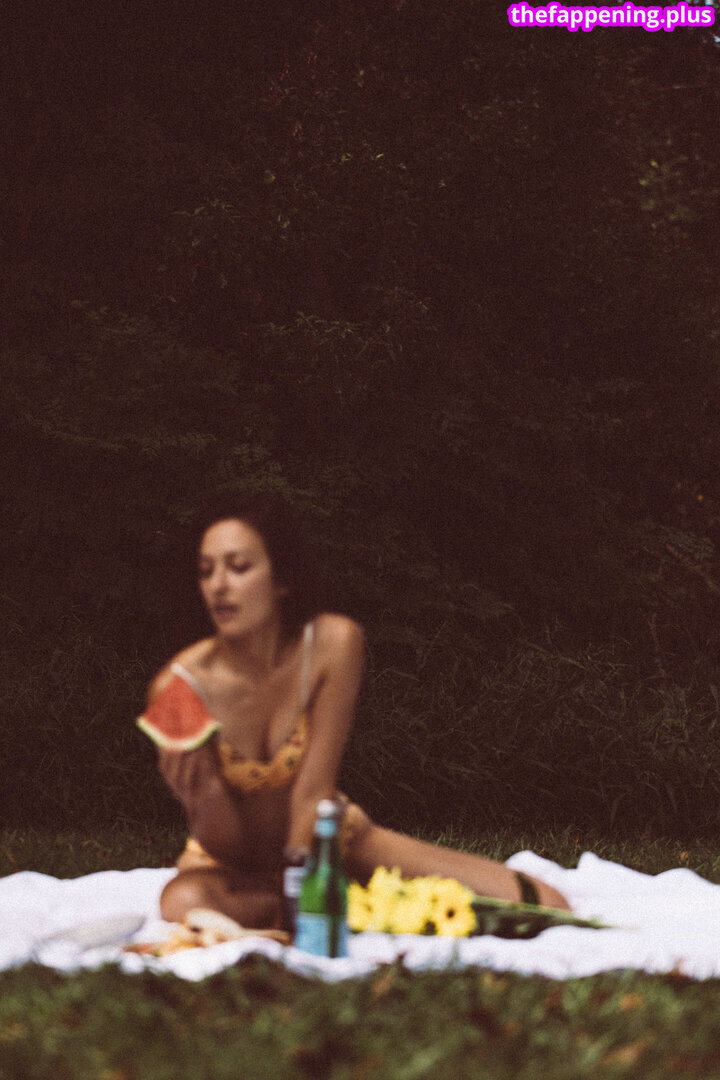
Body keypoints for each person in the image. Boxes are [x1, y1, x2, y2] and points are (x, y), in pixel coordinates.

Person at [138, 493, 569, 930]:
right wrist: (205, 793)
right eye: (206, 571)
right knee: (183, 900)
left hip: (324, 839)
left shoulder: (332, 644)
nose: (218, 585)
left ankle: (322, 902)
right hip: (229, 866)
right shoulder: (178, 686)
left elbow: (313, 793)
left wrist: (304, 882)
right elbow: (226, 843)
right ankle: (343, 905)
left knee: (543, 902)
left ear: (282, 579)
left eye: (239, 567)